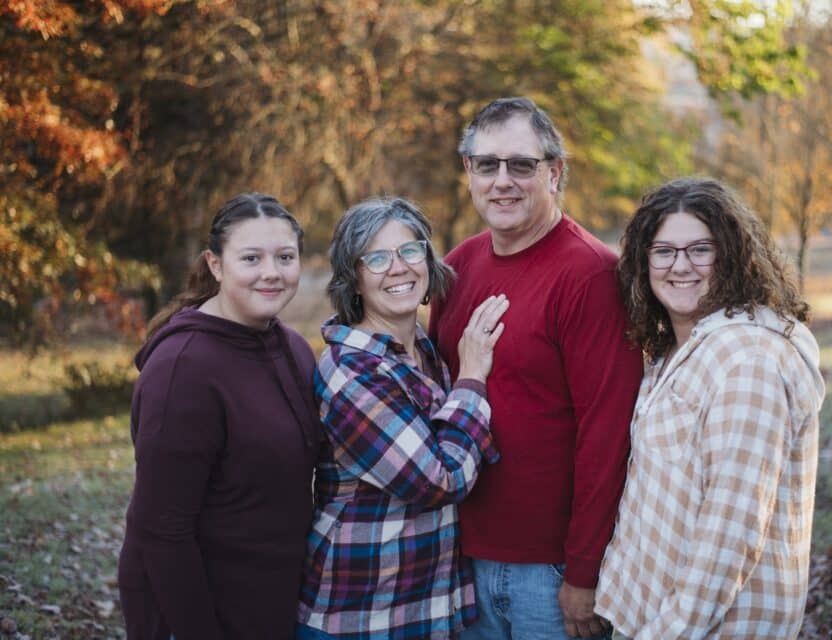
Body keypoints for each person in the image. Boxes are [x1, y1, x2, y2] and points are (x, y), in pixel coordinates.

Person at [429, 96, 645, 639]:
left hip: (548, 575)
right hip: (458, 559)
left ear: (554, 172)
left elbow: (608, 433)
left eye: (521, 165)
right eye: (488, 165)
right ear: (469, 173)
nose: (503, 181)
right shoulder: (456, 267)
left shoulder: (591, 276)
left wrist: (583, 572)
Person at [595, 177, 826, 639]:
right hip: (649, 616)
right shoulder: (675, 353)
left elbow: (730, 535)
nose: (680, 266)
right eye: (664, 252)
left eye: (701, 250)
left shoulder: (748, 363)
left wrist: (668, 633)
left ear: (733, 257)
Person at [296, 197, 509, 639]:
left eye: (410, 251)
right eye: (376, 258)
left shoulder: (422, 351)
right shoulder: (350, 370)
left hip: (422, 609)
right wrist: (471, 378)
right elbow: (439, 481)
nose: (398, 268)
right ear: (353, 280)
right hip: (359, 615)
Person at [118, 193, 319, 639]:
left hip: (269, 604)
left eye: (285, 257)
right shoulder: (182, 369)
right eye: (251, 257)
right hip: (194, 612)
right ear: (215, 264)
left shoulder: (293, 349)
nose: (272, 272)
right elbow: (162, 531)